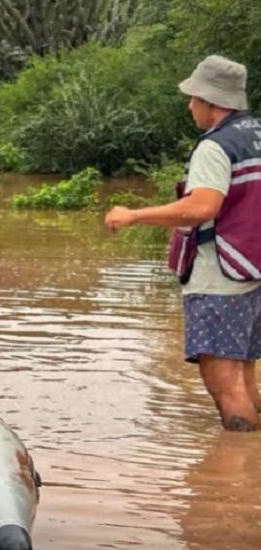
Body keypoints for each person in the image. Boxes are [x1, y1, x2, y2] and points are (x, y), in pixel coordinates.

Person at [105, 55, 261, 431]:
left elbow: (202, 206)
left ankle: (235, 479)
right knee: (244, 372)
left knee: (224, 379)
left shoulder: (216, 146)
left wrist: (134, 216)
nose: (190, 105)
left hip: (220, 275)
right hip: (253, 268)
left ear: (212, 101)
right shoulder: (255, 134)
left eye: (194, 97)